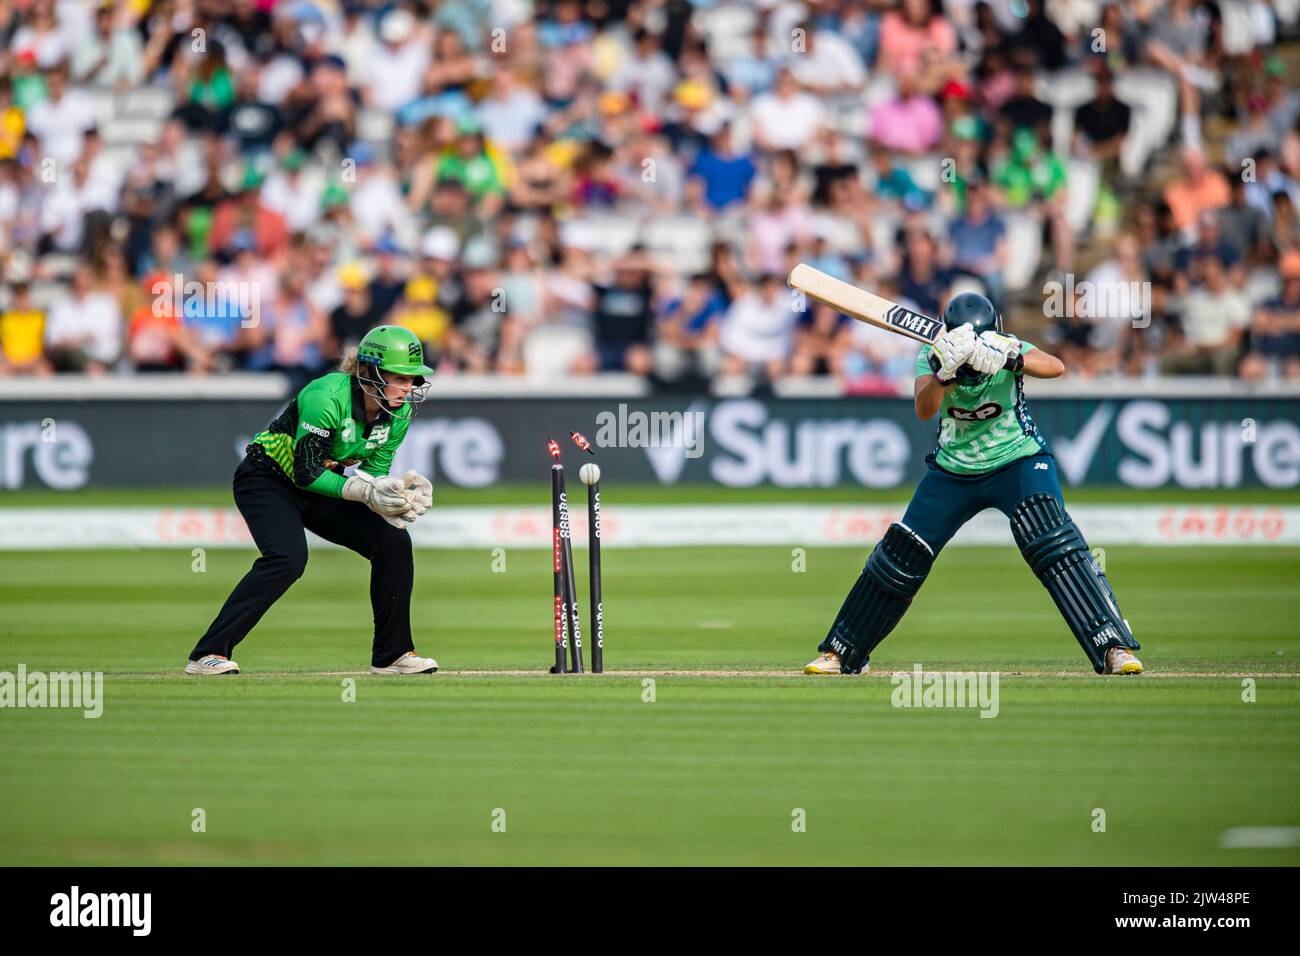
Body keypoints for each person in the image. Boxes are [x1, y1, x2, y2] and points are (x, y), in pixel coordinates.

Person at [805, 293, 1144, 677]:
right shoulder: (931, 356)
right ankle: (842, 651)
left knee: (1053, 541)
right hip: (953, 471)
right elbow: (924, 409)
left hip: (1018, 460)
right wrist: (942, 373)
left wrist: (1010, 357)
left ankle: (1112, 644)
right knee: (900, 555)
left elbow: (1056, 367)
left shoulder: (1009, 345)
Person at [186, 325, 438, 677]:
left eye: (413, 379)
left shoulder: (398, 413)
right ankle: (207, 653)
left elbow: (373, 473)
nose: (408, 388)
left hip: (321, 484)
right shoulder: (326, 397)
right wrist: (365, 493)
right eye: (400, 378)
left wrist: (390, 496)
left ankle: (392, 655)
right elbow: (305, 472)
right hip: (268, 478)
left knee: (393, 542)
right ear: (369, 371)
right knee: (288, 558)